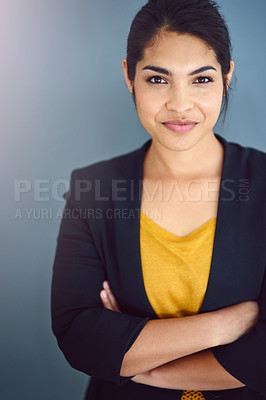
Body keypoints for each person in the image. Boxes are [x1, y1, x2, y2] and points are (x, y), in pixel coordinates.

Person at [51, 1, 266, 399]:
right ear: (129, 78)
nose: (180, 104)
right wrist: (226, 325)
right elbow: (78, 334)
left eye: (201, 80)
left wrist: (141, 364)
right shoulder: (92, 189)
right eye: (158, 79)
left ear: (227, 76)